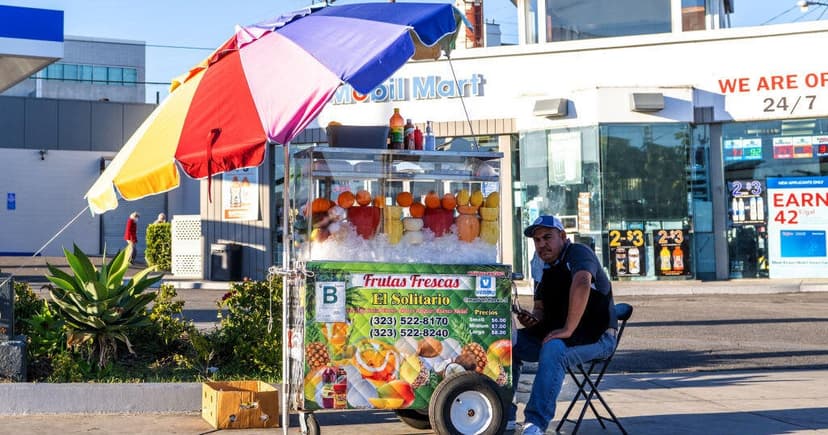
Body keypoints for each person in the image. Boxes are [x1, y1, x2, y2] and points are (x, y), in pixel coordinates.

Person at [510, 215, 618, 435]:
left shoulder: (578, 253)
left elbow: (582, 282)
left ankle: (536, 423)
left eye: (547, 237)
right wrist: (532, 320)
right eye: (537, 240)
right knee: (506, 345)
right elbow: (539, 309)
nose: (542, 244)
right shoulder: (541, 266)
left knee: (554, 349)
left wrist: (568, 329)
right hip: (557, 332)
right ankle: (505, 412)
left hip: (597, 337)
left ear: (562, 236)